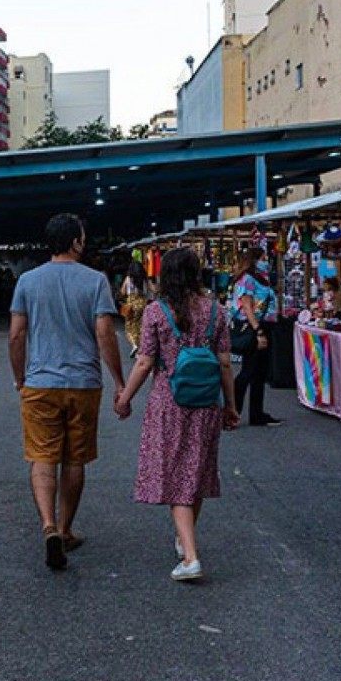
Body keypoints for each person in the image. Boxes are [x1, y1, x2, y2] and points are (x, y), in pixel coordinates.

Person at [8, 213, 125, 571]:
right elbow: (105, 333)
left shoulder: (27, 281)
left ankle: (48, 527)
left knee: (42, 457)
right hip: (83, 384)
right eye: (83, 238)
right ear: (75, 242)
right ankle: (65, 528)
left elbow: (16, 334)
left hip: (40, 383)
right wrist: (120, 381)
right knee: (74, 459)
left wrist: (20, 377)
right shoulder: (96, 281)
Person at [115, 246, 238, 580]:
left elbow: (144, 362)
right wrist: (230, 405)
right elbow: (225, 363)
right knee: (195, 471)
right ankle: (184, 540)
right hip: (206, 404)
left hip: (169, 403)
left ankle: (190, 558)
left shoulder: (156, 312)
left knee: (176, 476)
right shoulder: (216, 311)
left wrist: (125, 398)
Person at [230, 246, 282, 427]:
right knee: (248, 371)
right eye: (263, 258)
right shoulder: (248, 280)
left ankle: (257, 413)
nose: (266, 262)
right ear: (254, 260)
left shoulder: (261, 279)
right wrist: (258, 331)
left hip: (264, 326)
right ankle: (233, 411)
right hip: (254, 327)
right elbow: (247, 307)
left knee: (259, 372)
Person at [120, 261, 149, 356]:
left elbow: (123, 292)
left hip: (131, 306)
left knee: (129, 327)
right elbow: (149, 291)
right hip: (143, 304)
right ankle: (141, 349)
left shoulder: (128, 279)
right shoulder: (144, 279)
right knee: (141, 326)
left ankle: (134, 345)